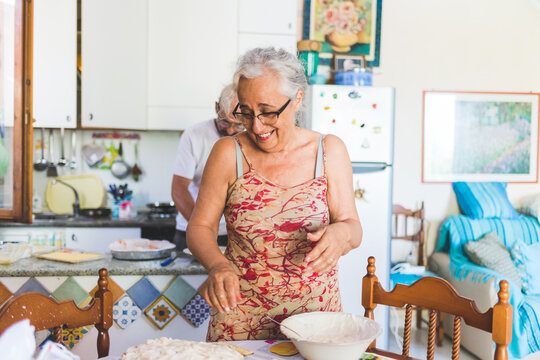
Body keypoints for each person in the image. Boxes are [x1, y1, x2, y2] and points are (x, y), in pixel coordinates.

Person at [186, 48, 362, 341]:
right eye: (245, 111)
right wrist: (217, 265)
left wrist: (340, 235)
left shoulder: (329, 151)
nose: (256, 126)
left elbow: (353, 227)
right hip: (239, 318)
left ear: (297, 100)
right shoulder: (228, 153)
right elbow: (199, 227)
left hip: (315, 322)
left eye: (267, 112)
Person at [171, 84, 243, 251]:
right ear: (216, 107)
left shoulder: (252, 138)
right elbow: (178, 190)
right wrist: (203, 228)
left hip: (235, 235)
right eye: (225, 122)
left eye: (238, 124)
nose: (231, 130)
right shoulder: (194, 135)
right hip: (192, 229)